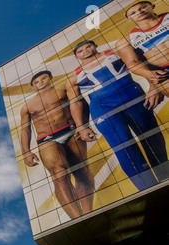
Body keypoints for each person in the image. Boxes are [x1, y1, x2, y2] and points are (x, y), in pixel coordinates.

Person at [68, 40, 168, 191]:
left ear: (95, 46)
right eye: (80, 51)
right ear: (76, 57)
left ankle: (165, 176)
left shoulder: (114, 54)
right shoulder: (74, 77)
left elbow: (140, 64)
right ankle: (148, 188)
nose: (86, 51)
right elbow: (75, 102)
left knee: (152, 136)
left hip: (133, 97)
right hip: (104, 108)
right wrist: (81, 127)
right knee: (124, 147)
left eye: (88, 46)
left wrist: (154, 86)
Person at [20, 70, 96, 219]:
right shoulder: (27, 106)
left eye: (43, 79)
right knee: (59, 175)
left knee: (82, 171)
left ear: (50, 78)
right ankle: (77, 219)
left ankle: (88, 214)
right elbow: (25, 130)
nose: (40, 82)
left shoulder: (62, 88)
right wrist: (26, 152)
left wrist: (83, 126)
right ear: (33, 87)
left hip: (71, 131)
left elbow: (80, 104)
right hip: (47, 139)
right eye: (36, 82)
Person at [116, 1, 169, 98]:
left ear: (152, 6)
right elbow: (132, 63)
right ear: (129, 19)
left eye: (142, 8)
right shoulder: (126, 41)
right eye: (133, 13)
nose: (139, 12)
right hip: (164, 72)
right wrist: (149, 74)